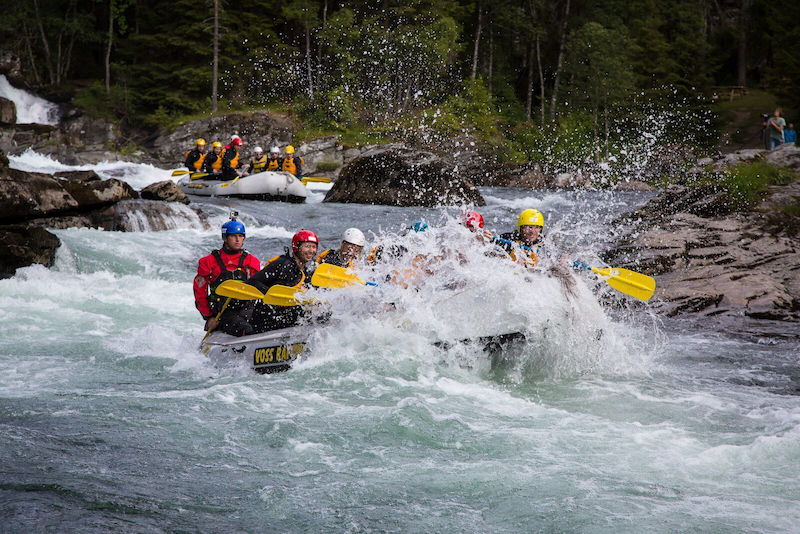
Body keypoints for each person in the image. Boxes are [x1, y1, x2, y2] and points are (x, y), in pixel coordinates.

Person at [193, 215, 261, 336]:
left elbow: (258, 287)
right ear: (224, 238)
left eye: (240, 236)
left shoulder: (251, 261)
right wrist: (208, 317)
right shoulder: (208, 262)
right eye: (233, 236)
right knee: (247, 329)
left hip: (246, 309)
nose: (237, 240)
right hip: (222, 313)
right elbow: (200, 292)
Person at [247, 230, 319, 333]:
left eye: (314, 247)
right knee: (304, 311)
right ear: (296, 247)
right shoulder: (282, 264)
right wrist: (274, 297)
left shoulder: (306, 272)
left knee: (322, 311)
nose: (311, 250)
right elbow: (253, 281)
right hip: (266, 318)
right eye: (307, 246)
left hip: (285, 315)